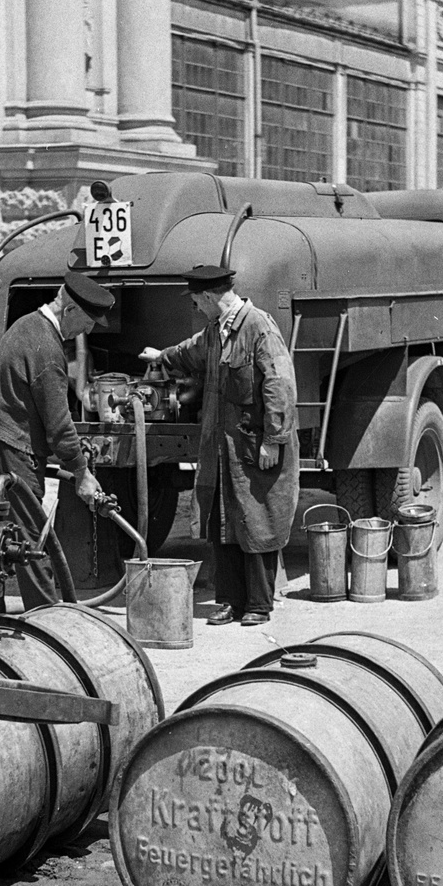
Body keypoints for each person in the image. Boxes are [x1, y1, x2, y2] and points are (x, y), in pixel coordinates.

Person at [140, 264, 298, 626]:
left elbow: (279, 384)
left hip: (253, 445)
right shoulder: (215, 331)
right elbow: (190, 352)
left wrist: (273, 440)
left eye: (196, 300)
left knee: (257, 521)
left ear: (209, 296)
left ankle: (258, 604)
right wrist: (161, 357)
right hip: (223, 448)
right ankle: (230, 601)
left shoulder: (259, 326)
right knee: (222, 522)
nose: (195, 307)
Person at [0, 269, 112, 610]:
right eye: (87, 322)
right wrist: (81, 472)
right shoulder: (48, 349)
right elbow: (59, 425)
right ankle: (48, 622)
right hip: (11, 449)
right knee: (30, 543)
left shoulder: (25, 324)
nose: (88, 331)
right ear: (70, 310)